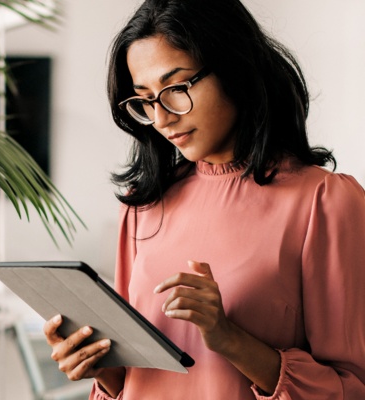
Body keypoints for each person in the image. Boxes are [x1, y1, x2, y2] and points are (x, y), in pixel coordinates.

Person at [43, 0, 365, 399]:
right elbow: (134, 381)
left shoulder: (324, 201)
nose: (161, 117)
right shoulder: (143, 204)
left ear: (236, 69)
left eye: (176, 88)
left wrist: (229, 338)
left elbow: (352, 388)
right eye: (145, 99)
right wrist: (101, 370)